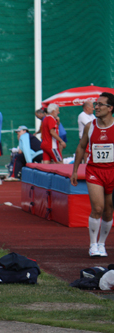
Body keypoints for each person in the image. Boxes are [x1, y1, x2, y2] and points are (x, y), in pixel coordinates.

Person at [71, 93, 114, 258]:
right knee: (97, 208)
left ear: (110, 108)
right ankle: (93, 245)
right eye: (96, 104)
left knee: (108, 211)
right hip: (95, 171)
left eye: (100, 104)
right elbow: (81, 147)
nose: (96, 107)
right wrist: (75, 170)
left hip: (112, 172)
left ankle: (102, 244)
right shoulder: (90, 126)